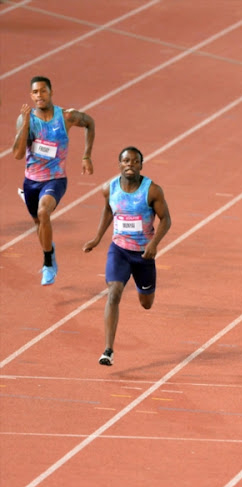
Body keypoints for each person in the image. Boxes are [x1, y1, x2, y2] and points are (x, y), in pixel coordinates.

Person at [83, 147, 171, 366]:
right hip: (119, 251)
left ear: (141, 165)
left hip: (143, 254)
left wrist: (154, 243)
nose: (130, 164)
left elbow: (166, 219)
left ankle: (144, 290)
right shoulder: (109, 188)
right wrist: (97, 238)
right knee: (113, 293)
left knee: (146, 303)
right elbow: (108, 210)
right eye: (125, 161)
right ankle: (108, 350)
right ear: (119, 164)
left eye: (134, 161)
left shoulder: (152, 191)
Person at [12, 75, 95, 285]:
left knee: (43, 212)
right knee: (40, 224)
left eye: (43, 91)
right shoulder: (25, 119)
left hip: (55, 179)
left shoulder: (66, 117)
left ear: (51, 92)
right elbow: (18, 155)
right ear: (31, 95)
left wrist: (86, 156)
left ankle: (48, 263)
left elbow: (90, 123)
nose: (39, 95)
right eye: (35, 92)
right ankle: (50, 249)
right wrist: (25, 126)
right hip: (31, 181)